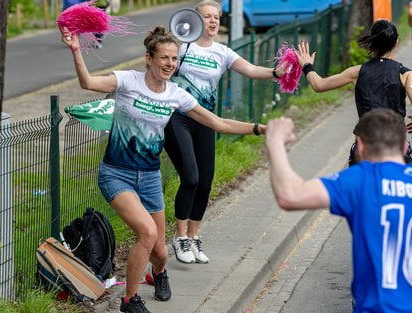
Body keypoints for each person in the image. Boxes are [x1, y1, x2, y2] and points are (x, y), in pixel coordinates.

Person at [60, 25, 266, 313]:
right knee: (147, 233)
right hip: (116, 173)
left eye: (174, 58)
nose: (170, 64)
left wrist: (259, 129)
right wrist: (76, 50)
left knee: (160, 252)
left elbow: (218, 123)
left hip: (150, 178)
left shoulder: (176, 95)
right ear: (149, 58)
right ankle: (130, 301)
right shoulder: (127, 81)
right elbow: (87, 83)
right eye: (164, 58)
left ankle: (157, 272)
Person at [164, 0, 286, 264]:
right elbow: (162, 67)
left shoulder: (222, 52)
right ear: (196, 20)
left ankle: (194, 238)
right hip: (178, 118)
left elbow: (251, 70)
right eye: (207, 16)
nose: (212, 21)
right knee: (191, 177)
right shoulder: (182, 47)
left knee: (206, 181)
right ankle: (180, 236)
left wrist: (278, 72)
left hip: (207, 120)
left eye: (216, 17)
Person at [266, 108, 412, 313]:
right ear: (404, 146)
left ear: (360, 146)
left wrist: (274, 141)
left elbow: (290, 195)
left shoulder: (363, 179)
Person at [295, 19, 412, 166]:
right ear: (396, 43)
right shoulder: (406, 75)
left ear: (372, 43)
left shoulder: (357, 72)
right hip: (396, 147)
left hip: (365, 148)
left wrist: (307, 66)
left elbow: (319, 85)